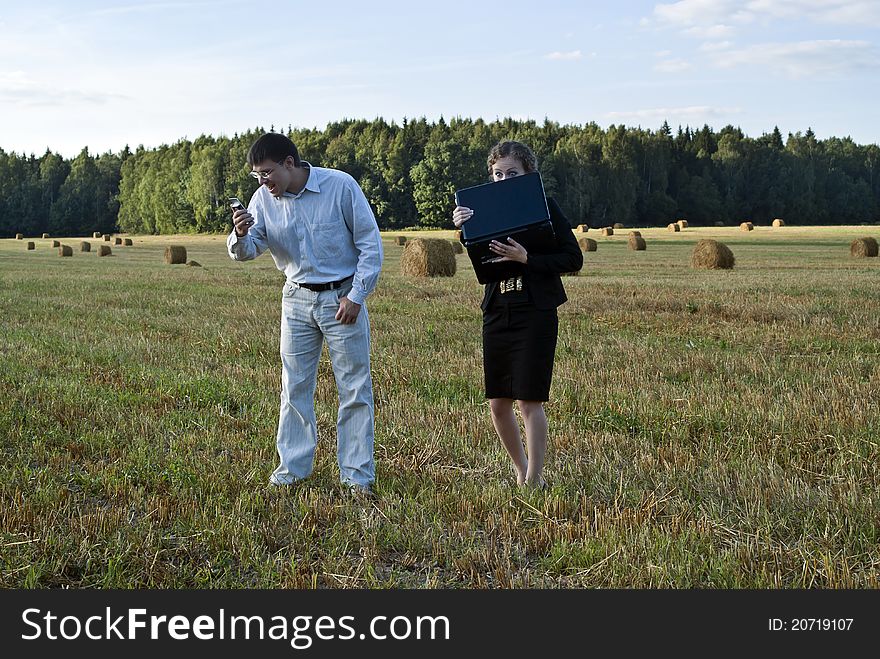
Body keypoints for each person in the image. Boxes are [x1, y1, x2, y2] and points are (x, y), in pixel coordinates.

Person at [228, 132, 383, 496]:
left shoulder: (340, 186)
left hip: (342, 299)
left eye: (267, 173)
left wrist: (356, 296)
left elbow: (370, 245)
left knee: (355, 388)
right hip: (295, 299)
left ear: (289, 163)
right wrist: (240, 235)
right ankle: (292, 471)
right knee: (294, 386)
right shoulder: (262, 199)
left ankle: (357, 477)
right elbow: (250, 249)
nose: (263, 182)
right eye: (257, 176)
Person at [452, 140, 582, 488]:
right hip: (497, 310)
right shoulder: (481, 210)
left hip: (536, 312)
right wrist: (465, 231)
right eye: (498, 174)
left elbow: (573, 259)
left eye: (512, 173)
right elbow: (483, 259)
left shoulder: (545, 206)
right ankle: (520, 469)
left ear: (528, 175)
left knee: (529, 400)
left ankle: (535, 478)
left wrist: (528, 259)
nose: (504, 179)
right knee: (497, 403)